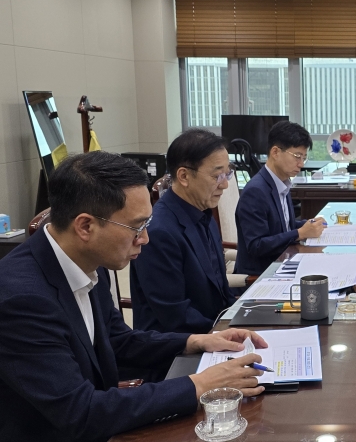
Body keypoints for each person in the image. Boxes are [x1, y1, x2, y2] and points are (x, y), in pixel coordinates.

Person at [0, 151, 267, 442]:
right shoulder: (22, 299)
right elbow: (80, 412)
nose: (145, 239)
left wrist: (194, 341)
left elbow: (117, 341)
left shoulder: (86, 259)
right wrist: (198, 385)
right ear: (85, 226)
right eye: (136, 227)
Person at [130, 129, 236, 334]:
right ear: (184, 176)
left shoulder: (203, 213)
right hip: (180, 344)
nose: (225, 184)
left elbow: (221, 292)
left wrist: (241, 317)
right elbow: (175, 315)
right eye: (217, 175)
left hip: (214, 330)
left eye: (228, 173)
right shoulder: (158, 232)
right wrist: (224, 332)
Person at [235, 121, 325, 275]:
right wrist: (300, 233)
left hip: (283, 262)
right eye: (297, 156)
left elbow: (283, 226)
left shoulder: (281, 182)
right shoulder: (255, 191)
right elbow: (257, 245)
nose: (301, 164)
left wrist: (308, 225)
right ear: (275, 152)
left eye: (304, 158)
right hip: (262, 274)